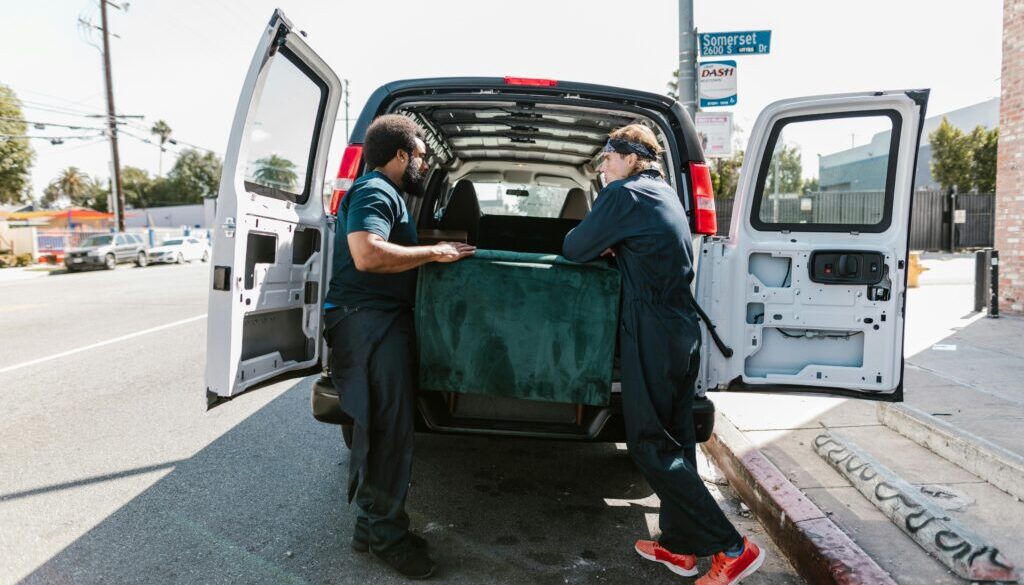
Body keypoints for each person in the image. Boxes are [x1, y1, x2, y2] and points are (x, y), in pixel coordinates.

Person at [562, 124, 764, 585]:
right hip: (681, 331)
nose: (603, 166)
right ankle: (679, 547)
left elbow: (574, 248)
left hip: (651, 331)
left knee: (650, 445)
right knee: (677, 440)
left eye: (609, 157)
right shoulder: (666, 194)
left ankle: (733, 547)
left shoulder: (624, 195)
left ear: (632, 157)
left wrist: (606, 244)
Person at [324, 114, 475, 579]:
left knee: (381, 431)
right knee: (388, 434)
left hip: (376, 323)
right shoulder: (375, 191)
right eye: (423, 156)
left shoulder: (388, 193)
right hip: (367, 324)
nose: (426, 164)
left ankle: (372, 530)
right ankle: (388, 540)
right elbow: (367, 253)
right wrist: (435, 252)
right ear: (401, 154)